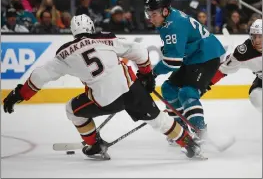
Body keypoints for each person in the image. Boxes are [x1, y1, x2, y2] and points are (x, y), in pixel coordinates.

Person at [3, 14, 202, 159]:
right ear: (91, 27)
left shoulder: (64, 54)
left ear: (73, 32)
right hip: (132, 90)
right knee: (158, 119)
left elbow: (40, 76)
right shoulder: (105, 38)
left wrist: (19, 94)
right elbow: (139, 50)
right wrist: (146, 75)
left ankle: (94, 145)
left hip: (105, 100)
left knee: (73, 110)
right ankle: (188, 141)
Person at [144, 0, 226, 143]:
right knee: (168, 89)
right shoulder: (166, 20)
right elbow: (174, 55)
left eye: (153, 13)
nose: (150, 17)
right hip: (193, 57)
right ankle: (181, 128)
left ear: (165, 11)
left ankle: (200, 130)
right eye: (148, 13)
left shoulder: (173, 25)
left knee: (187, 92)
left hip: (207, 56)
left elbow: (173, 62)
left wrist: (152, 73)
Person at [211, 19, 262, 113]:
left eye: (260, 36)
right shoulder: (244, 53)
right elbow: (222, 70)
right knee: (255, 95)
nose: (257, 41)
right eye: (254, 37)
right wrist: (202, 87)